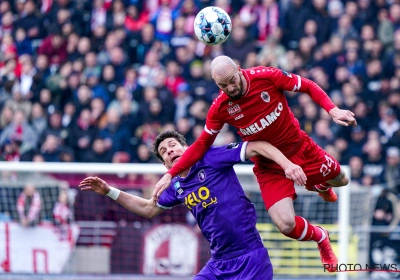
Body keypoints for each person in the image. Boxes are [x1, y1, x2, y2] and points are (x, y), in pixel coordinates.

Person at [153, 56, 358, 272]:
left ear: (239, 69)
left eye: (232, 80)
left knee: (341, 180)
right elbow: (202, 144)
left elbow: (307, 85)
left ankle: (320, 185)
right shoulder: (220, 107)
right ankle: (321, 236)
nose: (230, 88)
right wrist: (170, 174)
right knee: (286, 225)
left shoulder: (266, 76)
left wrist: (332, 109)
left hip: (300, 148)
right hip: (269, 166)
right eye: (223, 85)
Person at [79, 130, 308, 279]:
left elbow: (257, 146)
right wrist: (109, 191)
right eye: (164, 152)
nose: (169, 150)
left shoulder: (211, 158)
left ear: (186, 147)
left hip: (251, 258)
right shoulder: (176, 186)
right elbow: (148, 208)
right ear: (166, 166)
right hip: (218, 264)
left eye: (172, 145)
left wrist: (287, 165)